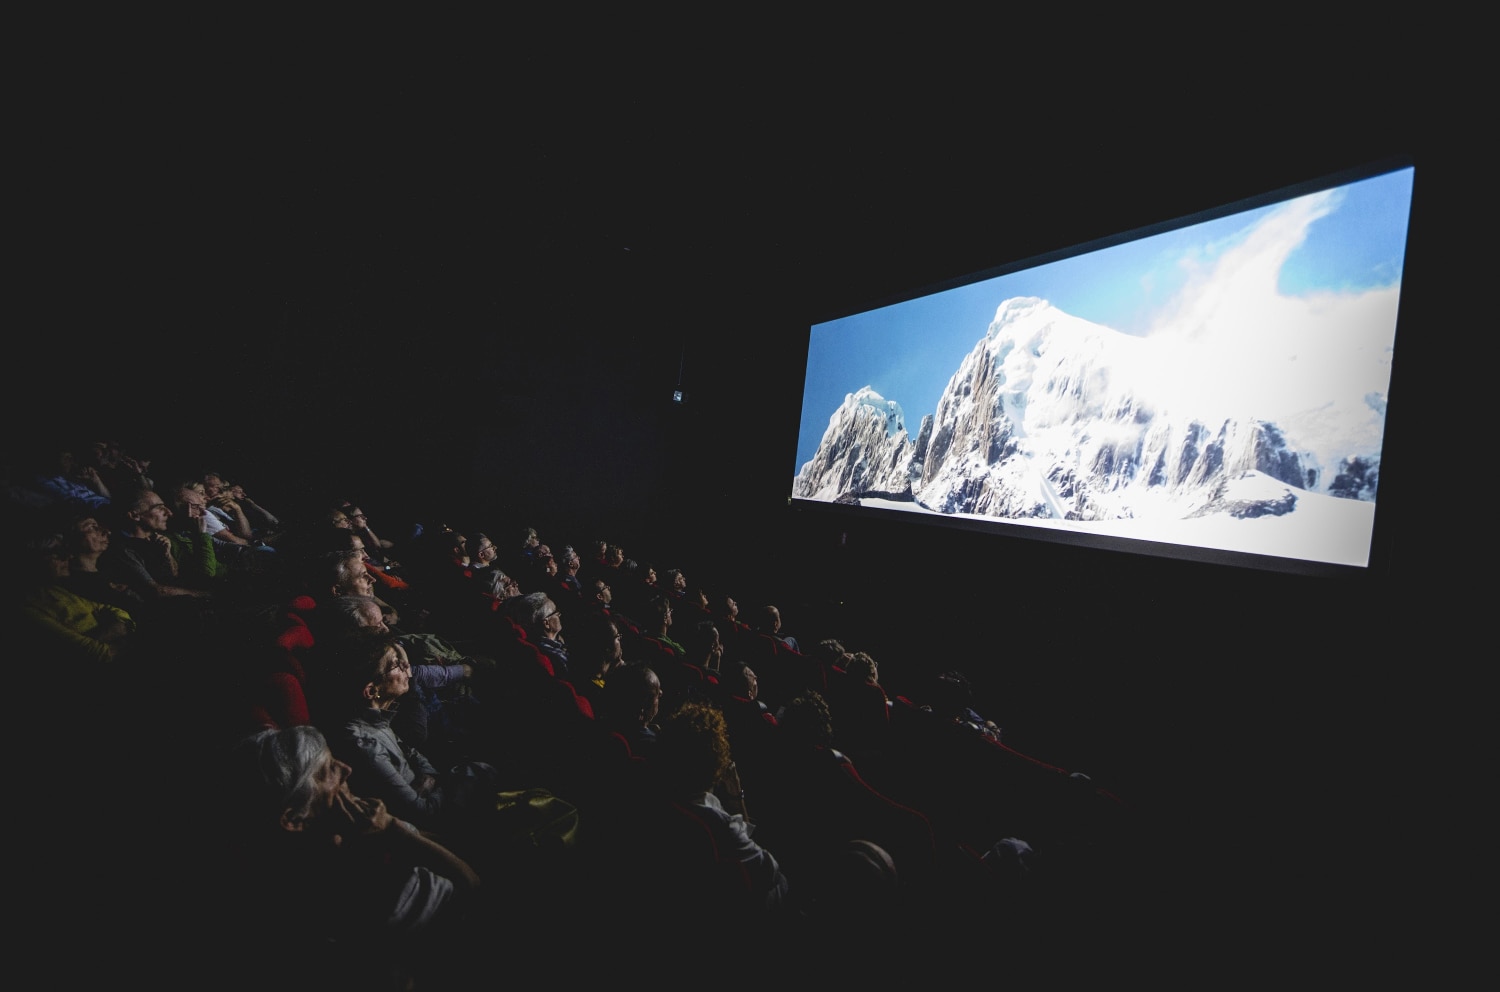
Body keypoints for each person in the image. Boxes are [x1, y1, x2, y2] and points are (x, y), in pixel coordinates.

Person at [224, 724, 484, 989]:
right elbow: (472, 886)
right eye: (328, 771)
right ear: (294, 818)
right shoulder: (359, 890)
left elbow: (439, 842)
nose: (346, 769)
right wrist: (393, 830)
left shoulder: (353, 832)